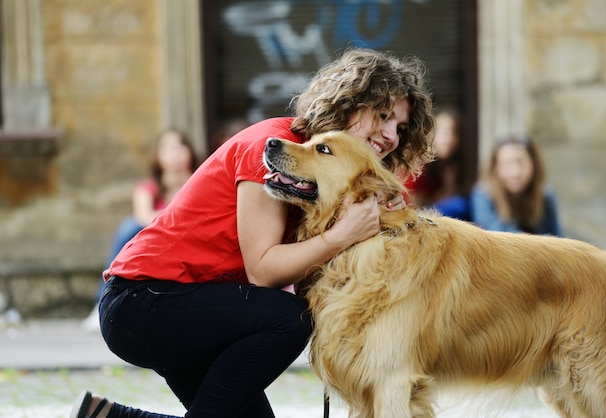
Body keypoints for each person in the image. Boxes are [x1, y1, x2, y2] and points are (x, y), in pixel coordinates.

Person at [70, 48, 435, 418]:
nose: (390, 135)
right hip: (143, 302)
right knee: (292, 318)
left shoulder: (324, 174)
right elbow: (263, 270)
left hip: (197, 302)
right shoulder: (275, 150)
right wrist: (342, 235)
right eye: (383, 115)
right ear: (349, 102)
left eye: (400, 128)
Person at [81, 128, 198, 332]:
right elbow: (143, 217)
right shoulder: (148, 187)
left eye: (181, 146)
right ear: (158, 156)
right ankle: (103, 301)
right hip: (157, 238)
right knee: (128, 227)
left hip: (188, 238)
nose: (176, 153)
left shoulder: (198, 182)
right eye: (169, 148)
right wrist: (175, 215)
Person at [470, 135, 563, 236]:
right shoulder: (483, 194)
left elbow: (557, 238)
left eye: (521, 162)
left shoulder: (545, 194)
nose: (516, 172)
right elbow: (496, 235)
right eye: (507, 163)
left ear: (533, 164)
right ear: (496, 168)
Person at [405, 105, 471, 220]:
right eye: (442, 132)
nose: (448, 139)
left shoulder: (451, 165)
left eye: (453, 132)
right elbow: (416, 210)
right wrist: (447, 187)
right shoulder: (418, 165)